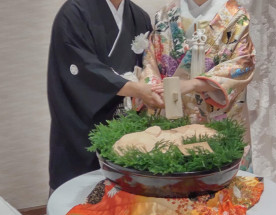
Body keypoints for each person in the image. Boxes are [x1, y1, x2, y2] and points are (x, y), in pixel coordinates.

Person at [47, 0, 164, 191]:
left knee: (125, 193)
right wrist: (135, 88)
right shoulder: (74, 12)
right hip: (82, 117)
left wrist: (150, 86)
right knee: (78, 196)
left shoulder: (140, 17)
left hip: (125, 122)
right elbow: (82, 68)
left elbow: (147, 64)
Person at [141, 0, 255, 170]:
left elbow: (243, 63)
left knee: (219, 171)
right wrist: (154, 89)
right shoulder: (165, 15)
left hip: (216, 111)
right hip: (172, 107)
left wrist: (194, 84)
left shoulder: (236, 16)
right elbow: (150, 60)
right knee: (174, 171)